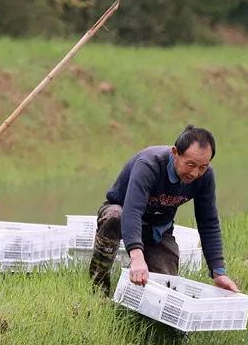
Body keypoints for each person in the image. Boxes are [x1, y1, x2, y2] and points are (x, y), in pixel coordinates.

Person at [89, 125, 239, 295]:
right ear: (175, 153)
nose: (195, 173)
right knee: (115, 216)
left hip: (157, 227)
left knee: (164, 286)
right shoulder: (149, 164)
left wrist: (218, 272)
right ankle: (98, 287)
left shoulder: (205, 177)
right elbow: (133, 211)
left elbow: (208, 223)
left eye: (203, 167)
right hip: (124, 213)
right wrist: (137, 257)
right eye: (190, 164)